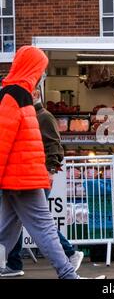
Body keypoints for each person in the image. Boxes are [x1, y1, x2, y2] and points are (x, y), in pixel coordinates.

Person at [0, 46, 105, 279]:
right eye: (41, 69)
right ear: (31, 68)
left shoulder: (15, 94)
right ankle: (69, 275)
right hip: (23, 178)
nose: (42, 75)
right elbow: (2, 141)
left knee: (5, 231)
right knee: (44, 229)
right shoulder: (15, 96)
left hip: (19, 177)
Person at [0, 89, 84, 277]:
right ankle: (65, 262)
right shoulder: (35, 116)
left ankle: (67, 259)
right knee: (30, 223)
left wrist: (50, 170)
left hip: (27, 177)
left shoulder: (42, 117)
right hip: (27, 177)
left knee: (34, 223)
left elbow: (53, 146)